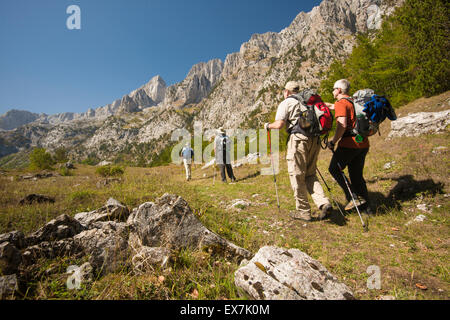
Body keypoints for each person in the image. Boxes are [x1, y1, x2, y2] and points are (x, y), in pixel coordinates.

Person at [264, 81, 332, 222]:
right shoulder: (307, 101)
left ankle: (303, 212)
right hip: (315, 140)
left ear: (286, 92)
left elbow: (279, 125)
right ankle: (323, 202)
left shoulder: (287, 102)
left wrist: (267, 126)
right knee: (310, 174)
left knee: (297, 175)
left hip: (299, 140)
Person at [327, 79, 373, 214]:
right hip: (363, 144)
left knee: (334, 169)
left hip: (349, 144)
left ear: (339, 90)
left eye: (334, 88)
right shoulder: (353, 101)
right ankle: (367, 208)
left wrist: (333, 141)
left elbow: (341, 124)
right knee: (357, 176)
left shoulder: (341, 103)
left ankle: (352, 197)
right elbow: (335, 107)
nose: (332, 91)